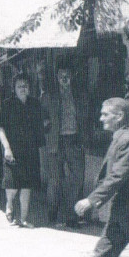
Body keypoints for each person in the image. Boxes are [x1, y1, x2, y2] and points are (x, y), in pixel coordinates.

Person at [74, 97, 129, 257]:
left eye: (105, 114)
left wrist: (91, 200)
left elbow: (117, 176)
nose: (101, 118)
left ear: (119, 116)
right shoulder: (121, 137)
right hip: (121, 212)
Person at [41, 61, 91, 227]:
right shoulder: (49, 95)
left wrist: (84, 139)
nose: (64, 78)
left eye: (67, 75)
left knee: (77, 178)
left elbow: (86, 117)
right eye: (61, 75)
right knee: (55, 180)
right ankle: (53, 216)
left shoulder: (79, 94)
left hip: (74, 140)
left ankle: (72, 216)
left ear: (72, 76)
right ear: (56, 77)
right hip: (55, 142)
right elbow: (40, 116)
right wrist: (46, 123)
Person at [0, 73, 46, 228]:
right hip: (12, 149)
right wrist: (7, 148)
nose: (23, 89)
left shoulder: (35, 104)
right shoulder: (7, 105)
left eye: (26, 86)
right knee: (12, 183)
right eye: (20, 86)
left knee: (27, 184)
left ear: (29, 88)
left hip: (30, 149)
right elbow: (0, 127)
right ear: (14, 89)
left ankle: (23, 218)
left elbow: (43, 121)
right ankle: (10, 204)